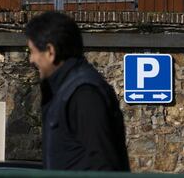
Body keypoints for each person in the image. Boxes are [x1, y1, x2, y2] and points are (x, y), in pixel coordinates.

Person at [25, 11, 130, 171]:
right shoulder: (65, 90)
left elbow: (103, 165)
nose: (31, 60)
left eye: (32, 52)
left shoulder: (84, 93)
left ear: (50, 52)